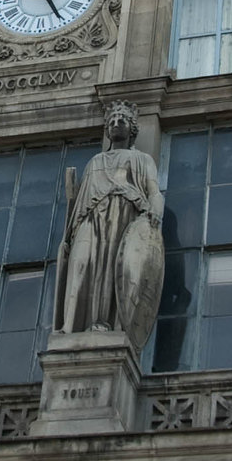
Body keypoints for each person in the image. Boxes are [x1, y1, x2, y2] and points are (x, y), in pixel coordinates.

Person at [56, 101, 164, 352]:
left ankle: (102, 322)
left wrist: (156, 210)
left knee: (110, 269)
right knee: (83, 264)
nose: (116, 124)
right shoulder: (95, 161)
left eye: (122, 120)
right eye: (112, 121)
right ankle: (70, 324)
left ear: (132, 128)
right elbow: (80, 202)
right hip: (91, 219)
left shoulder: (141, 159)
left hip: (123, 217)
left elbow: (154, 190)